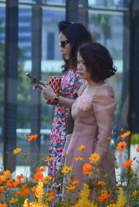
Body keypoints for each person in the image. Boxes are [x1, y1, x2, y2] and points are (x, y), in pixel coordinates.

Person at [33, 21, 92, 177]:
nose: (60, 48)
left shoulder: (84, 70)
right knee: (57, 180)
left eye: (63, 44)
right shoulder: (70, 69)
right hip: (59, 132)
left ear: (76, 42)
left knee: (67, 181)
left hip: (72, 134)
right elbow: (64, 98)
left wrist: (56, 97)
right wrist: (48, 90)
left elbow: (83, 105)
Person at [64, 42, 117, 190]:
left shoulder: (103, 92)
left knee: (90, 201)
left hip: (91, 155)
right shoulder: (83, 88)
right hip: (74, 151)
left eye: (84, 62)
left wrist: (95, 164)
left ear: (96, 63)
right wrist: (65, 156)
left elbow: (104, 134)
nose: (79, 67)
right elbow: (73, 128)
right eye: (79, 62)